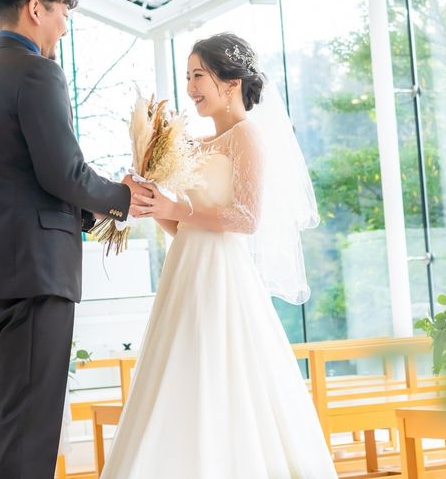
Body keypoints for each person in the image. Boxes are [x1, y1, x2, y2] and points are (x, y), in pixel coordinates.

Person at [100, 33, 338, 478]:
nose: (190, 88)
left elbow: (246, 218)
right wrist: (155, 208)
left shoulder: (247, 135)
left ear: (230, 83)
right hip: (185, 269)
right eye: (188, 77)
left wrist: (174, 208)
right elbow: (185, 225)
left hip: (223, 275)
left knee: (222, 370)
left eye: (199, 76)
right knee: (180, 372)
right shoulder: (195, 144)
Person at [0, 0, 148, 479]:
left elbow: (23, 176)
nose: (64, 27)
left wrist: (91, 213)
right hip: (34, 277)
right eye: (63, 13)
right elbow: (64, 172)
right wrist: (126, 197)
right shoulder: (37, 73)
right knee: (27, 434)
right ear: (36, 9)